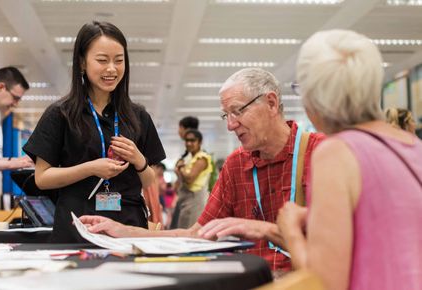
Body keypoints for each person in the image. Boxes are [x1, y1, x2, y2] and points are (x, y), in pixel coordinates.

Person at [79, 68, 324, 273]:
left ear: (271, 103)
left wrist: (265, 230)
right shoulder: (236, 165)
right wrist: (126, 232)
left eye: (238, 111)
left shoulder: (323, 154)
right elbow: (197, 234)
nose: (230, 125)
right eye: (225, 115)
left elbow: (341, 246)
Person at [276, 30, 422, 290]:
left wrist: (290, 230)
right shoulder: (413, 147)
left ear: (314, 99)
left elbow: (324, 282)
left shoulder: (336, 154)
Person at [23, 21, 165, 242]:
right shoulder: (60, 114)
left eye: (119, 60)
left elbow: (149, 181)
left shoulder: (139, 117)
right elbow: (42, 178)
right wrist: (90, 168)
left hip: (128, 227)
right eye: (102, 60)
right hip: (77, 227)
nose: (112, 69)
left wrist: (139, 160)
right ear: (82, 63)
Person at [0, 66, 32, 221]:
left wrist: (19, 161)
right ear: (0, 87)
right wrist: (11, 164)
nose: (15, 104)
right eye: (15, 97)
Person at [173, 129, 212, 228]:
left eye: (192, 140)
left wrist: (181, 167)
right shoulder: (189, 158)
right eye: (186, 140)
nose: (189, 143)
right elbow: (181, 179)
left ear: (200, 142)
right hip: (185, 200)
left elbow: (190, 178)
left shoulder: (202, 158)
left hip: (195, 200)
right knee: (183, 231)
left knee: (190, 234)